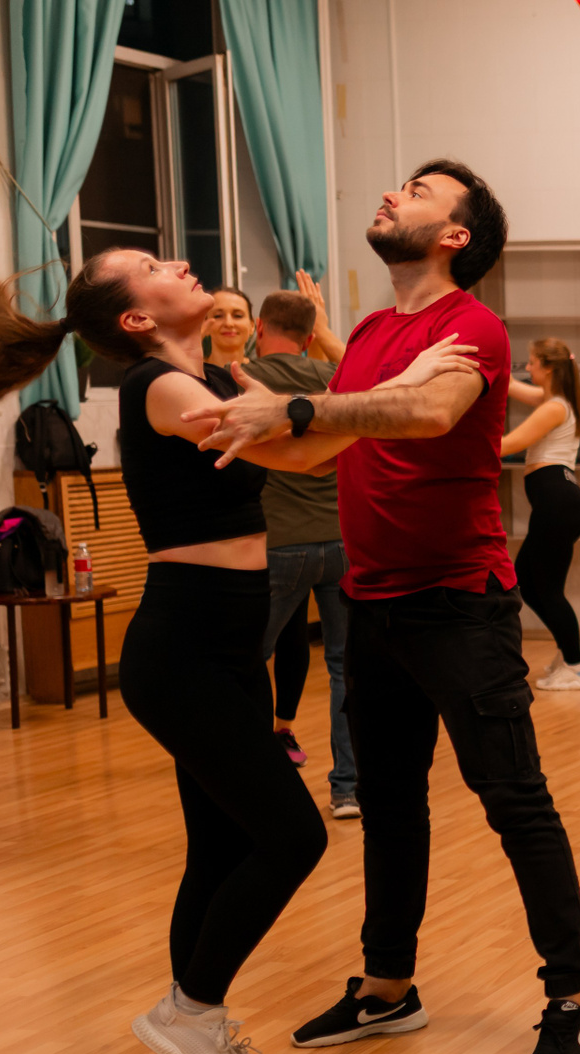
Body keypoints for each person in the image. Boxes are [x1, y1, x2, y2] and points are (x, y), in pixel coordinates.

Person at [0, 201, 464, 1054]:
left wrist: (381, 393)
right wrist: (412, 388)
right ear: (136, 318)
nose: (177, 263)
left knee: (219, 846)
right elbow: (301, 452)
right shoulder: (161, 387)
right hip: (185, 648)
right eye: (153, 267)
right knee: (294, 835)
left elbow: (306, 447)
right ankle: (187, 1013)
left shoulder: (213, 379)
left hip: (226, 644)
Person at [187, 160, 580, 1054]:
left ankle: (569, 998)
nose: (391, 195)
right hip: (372, 602)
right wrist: (227, 427)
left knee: (514, 801)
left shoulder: (472, 327)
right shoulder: (374, 331)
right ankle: (387, 987)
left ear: (456, 235)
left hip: (459, 602)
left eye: (418, 191)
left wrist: (296, 402)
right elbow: (326, 446)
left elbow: (427, 411)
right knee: (388, 803)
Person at [243, 289, 358, 818]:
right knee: (344, 669)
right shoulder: (334, 379)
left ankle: (254, 789)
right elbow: (367, 381)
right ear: (311, 337)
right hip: (341, 542)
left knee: (244, 665)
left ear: (259, 328)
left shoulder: (245, 379)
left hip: (279, 546)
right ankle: (348, 790)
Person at [503, 338, 580, 691]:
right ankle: (572, 653)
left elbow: (511, 444)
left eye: (532, 363)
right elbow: (510, 386)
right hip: (559, 505)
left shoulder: (554, 407)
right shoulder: (554, 400)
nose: (528, 368)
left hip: (560, 505)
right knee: (528, 582)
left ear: (549, 367)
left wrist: (458, 446)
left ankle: (577, 667)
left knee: (548, 590)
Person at [205, 287, 254, 368]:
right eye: (218, 316)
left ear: (252, 326)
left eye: (237, 316)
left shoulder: (264, 373)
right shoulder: (191, 372)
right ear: (205, 324)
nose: (228, 323)